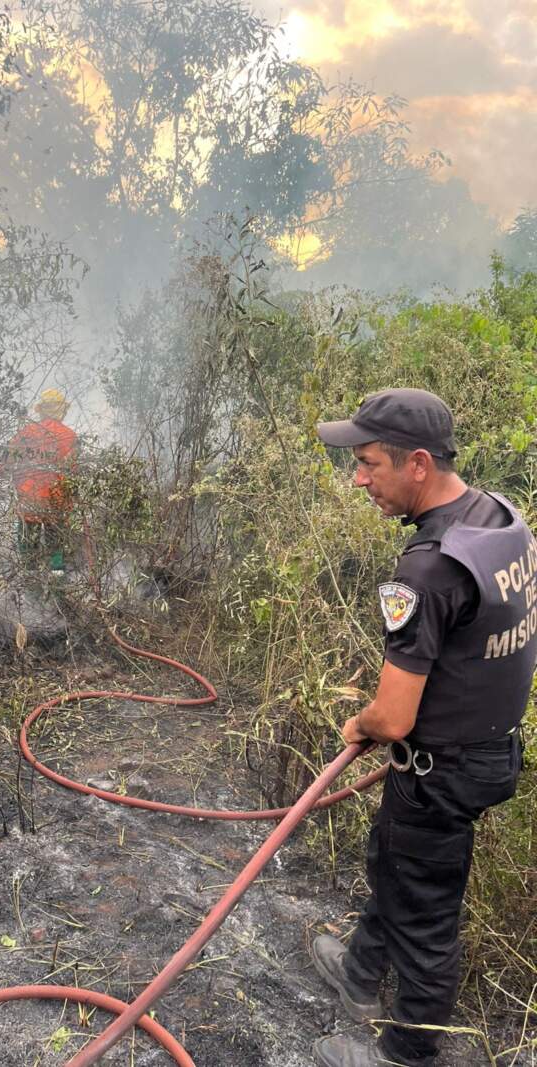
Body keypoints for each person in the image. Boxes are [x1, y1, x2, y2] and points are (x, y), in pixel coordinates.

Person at [310, 388, 535, 1067]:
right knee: (395, 859)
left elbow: (393, 714)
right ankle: (358, 972)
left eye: (369, 462)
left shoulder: (427, 567)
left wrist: (362, 721)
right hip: (484, 752)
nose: (359, 479)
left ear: (416, 463)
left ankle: (404, 1052)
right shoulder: (497, 516)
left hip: (444, 770)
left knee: (427, 916)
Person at [0, 389, 77, 573]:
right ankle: (58, 584)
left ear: (42, 410)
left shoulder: (28, 431)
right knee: (56, 544)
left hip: (29, 496)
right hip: (56, 499)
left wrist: (0, 470)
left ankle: (31, 582)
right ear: (61, 410)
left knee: (28, 545)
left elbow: (7, 459)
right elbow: (72, 470)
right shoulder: (69, 436)